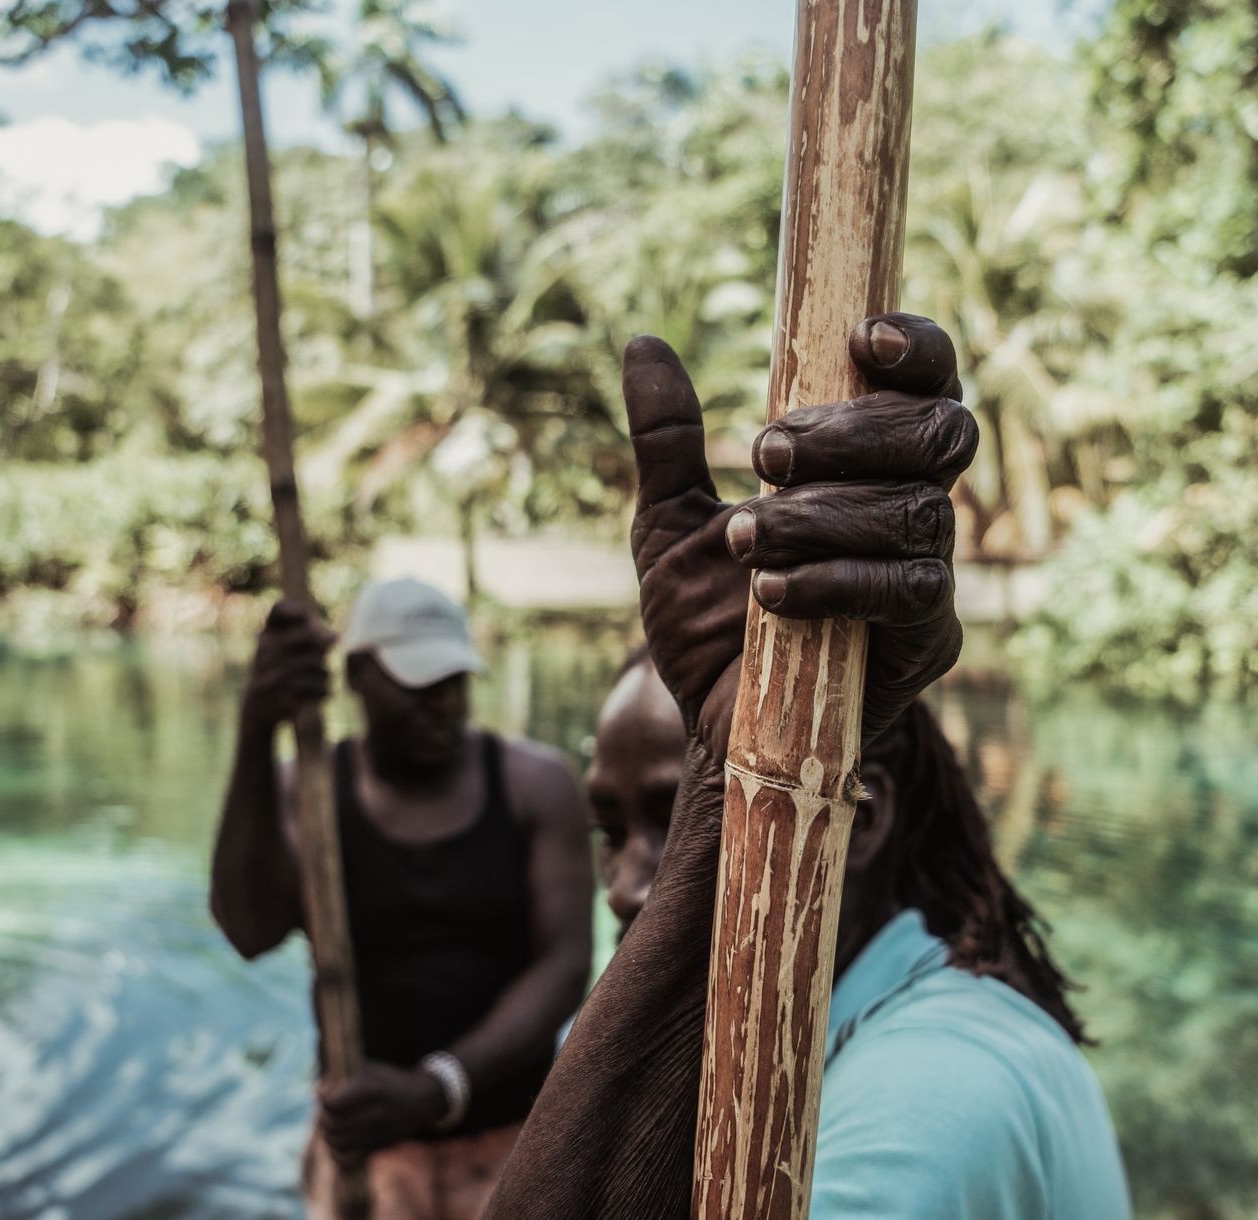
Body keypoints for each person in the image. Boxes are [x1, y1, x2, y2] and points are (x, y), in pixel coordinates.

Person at [483, 314, 1132, 1218]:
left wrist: (740, 780)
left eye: (673, 820)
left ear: (857, 821)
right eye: (611, 831)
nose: (631, 888)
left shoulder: (931, 1101)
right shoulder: (827, 1037)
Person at [208, 578, 593, 1220]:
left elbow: (565, 965)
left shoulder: (536, 785)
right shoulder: (305, 793)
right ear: (359, 677)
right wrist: (256, 727)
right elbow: (249, 932)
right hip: (368, 1161)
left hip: (516, 1144)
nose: (440, 704)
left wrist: (437, 1086)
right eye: (418, 686)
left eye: (453, 682)